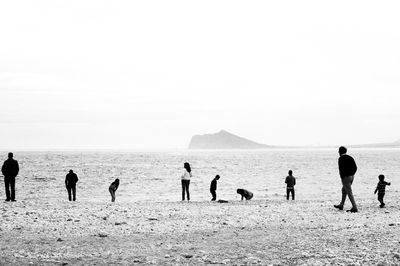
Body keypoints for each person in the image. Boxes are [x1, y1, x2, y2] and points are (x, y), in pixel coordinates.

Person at [334, 146, 358, 213]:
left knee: (349, 192)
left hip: (345, 177)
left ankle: (355, 207)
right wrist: (352, 174)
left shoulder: (341, 158)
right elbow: (355, 167)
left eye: (339, 151)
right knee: (344, 190)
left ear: (340, 152)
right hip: (352, 176)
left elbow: (341, 169)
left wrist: (343, 176)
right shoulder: (350, 157)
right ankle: (341, 205)